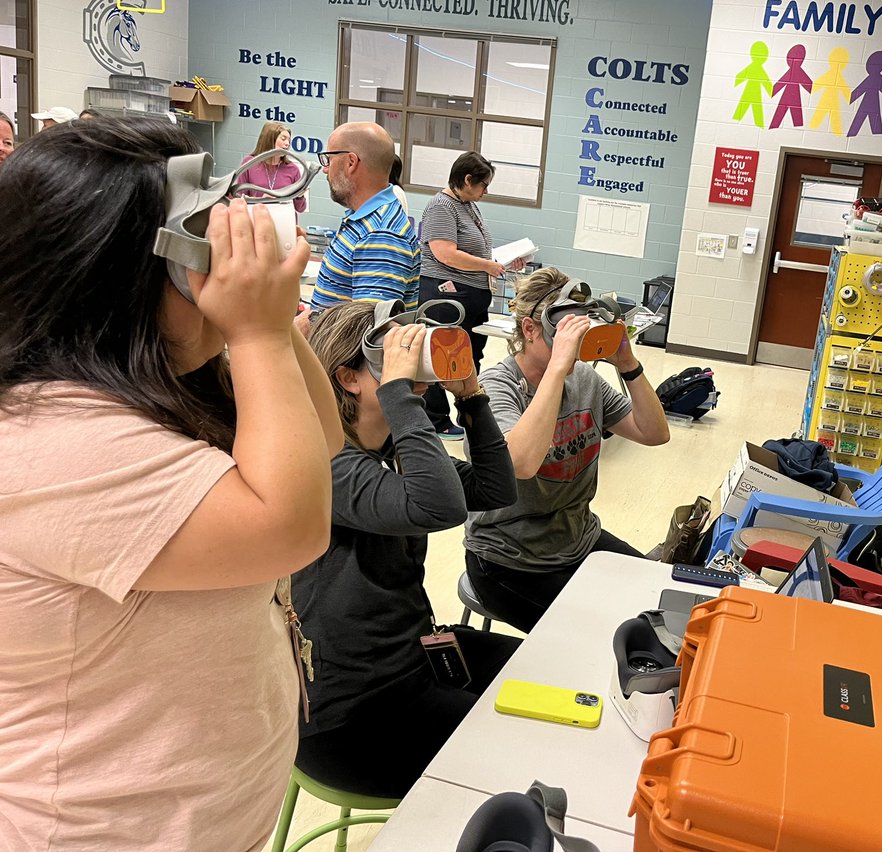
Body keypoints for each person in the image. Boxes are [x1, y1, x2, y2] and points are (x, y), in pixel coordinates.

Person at [0, 118, 343, 847]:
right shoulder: (51, 439)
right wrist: (254, 332)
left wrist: (269, 325)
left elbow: (320, 439)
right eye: (205, 257)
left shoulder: (150, 384)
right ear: (112, 280)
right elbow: (291, 528)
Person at [293, 301, 519, 797]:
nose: (408, 364)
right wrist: (401, 392)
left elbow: (497, 491)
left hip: (412, 661)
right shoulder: (326, 465)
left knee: (541, 668)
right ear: (349, 378)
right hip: (352, 716)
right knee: (521, 745)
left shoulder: (391, 454)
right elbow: (441, 508)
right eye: (389, 355)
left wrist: (472, 397)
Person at [463, 267, 671, 632]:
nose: (574, 345)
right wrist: (558, 368)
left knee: (662, 607)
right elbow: (521, 464)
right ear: (530, 329)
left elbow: (654, 434)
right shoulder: (496, 387)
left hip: (577, 539)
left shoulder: (583, 379)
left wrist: (628, 366)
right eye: (563, 332)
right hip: (508, 559)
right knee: (604, 635)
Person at [418, 151, 518, 439]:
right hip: (446, 293)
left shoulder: (467, 205)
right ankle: (437, 421)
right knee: (441, 356)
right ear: (466, 179)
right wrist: (488, 265)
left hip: (472, 294)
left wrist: (503, 262)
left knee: (470, 356)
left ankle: (470, 412)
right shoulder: (441, 206)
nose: (486, 192)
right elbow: (444, 253)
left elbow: (474, 250)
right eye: (483, 185)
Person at [311, 121, 419, 311]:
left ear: (351, 162)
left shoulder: (381, 235)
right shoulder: (364, 221)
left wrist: (310, 320)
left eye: (329, 160)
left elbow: (367, 329)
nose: (325, 170)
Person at [239, 121, 308, 213]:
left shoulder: (293, 169)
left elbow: (300, 209)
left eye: (289, 140)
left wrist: (300, 196)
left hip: (284, 222)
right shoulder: (249, 163)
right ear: (270, 140)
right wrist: (260, 201)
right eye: (283, 139)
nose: (287, 143)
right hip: (257, 219)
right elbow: (239, 200)